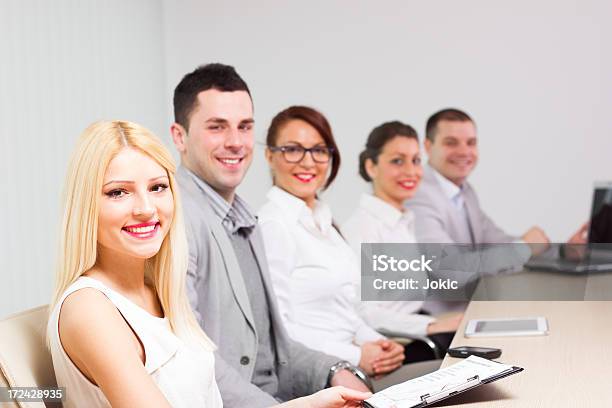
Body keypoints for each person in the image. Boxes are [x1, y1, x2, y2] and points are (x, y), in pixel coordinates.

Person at [47, 120, 371, 408]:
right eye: (118, 192)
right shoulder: (89, 308)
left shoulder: (160, 291)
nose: (146, 208)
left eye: (158, 187)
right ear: (86, 205)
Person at [170, 64, 370, 408]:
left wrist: (335, 369)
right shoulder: (177, 220)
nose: (235, 142)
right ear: (179, 136)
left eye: (244, 127)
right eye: (217, 127)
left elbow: (276, 349)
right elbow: (195, 362)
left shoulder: (244, 218)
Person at [258, 106, 418, 384]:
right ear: (270, 155)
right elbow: (281, 331)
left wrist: (379, 343)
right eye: (293, 149)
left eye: (319, 150)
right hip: (322, 376)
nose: (308, 162)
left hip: (358, 365)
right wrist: (356, 355)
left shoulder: (325, 221)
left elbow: (347, 311)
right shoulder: (274, 226)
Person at [342, 121, 462, 360]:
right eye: (398, 161)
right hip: (395, 346)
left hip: (417, 329)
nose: (411, 171)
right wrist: (429, 326)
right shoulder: (362, 229)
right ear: (371, 167)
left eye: (416, 160)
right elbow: (364, 313)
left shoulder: (403, 221)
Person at [406, 108, 550, 252]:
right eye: (451, 143)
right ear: (428, 147)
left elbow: (498, 243)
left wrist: (566, 251)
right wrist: (523, 249)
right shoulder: (417, 194)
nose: (464, 152)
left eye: (471, 143)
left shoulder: (465, 191)